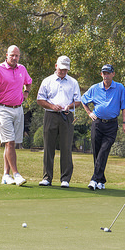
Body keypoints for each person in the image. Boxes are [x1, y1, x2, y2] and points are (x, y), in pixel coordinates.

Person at [0, 45, 32, 186]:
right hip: (3, 109)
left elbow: (28, 83)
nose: (14, 58)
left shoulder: (22, 69)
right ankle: (16, 174)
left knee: (12, 143)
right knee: (10, 143)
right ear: (6, 55)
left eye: (17, 55)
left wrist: (26, 93)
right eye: (12, 55)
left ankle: (5, 175)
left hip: (18, 109)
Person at [81, 64, 125, 190]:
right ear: (101, 74)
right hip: (97, 123)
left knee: (103, 151)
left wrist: (124, 124)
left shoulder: (119, 88)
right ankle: (101, 180)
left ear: (113, 74)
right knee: (97, 153)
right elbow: (83, 100)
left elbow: (124, 106)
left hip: (112, 125)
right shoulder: (95, 88)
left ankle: (94, 179)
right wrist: (89, 113)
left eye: (108, 73)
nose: (106, 75)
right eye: (104, 73)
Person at [36, 55, 82, 188]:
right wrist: (51, 106)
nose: (63, 72)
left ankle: (65, 179)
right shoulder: (47, 81)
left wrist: (69, 106)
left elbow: (78, 101)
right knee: (48, 147)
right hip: (50, 115)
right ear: (56, 66)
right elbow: (40, 100)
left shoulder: (73, 82)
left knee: (66, 147)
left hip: (67, 116)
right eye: (61, 69)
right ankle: (47, 177)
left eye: (65, 70)